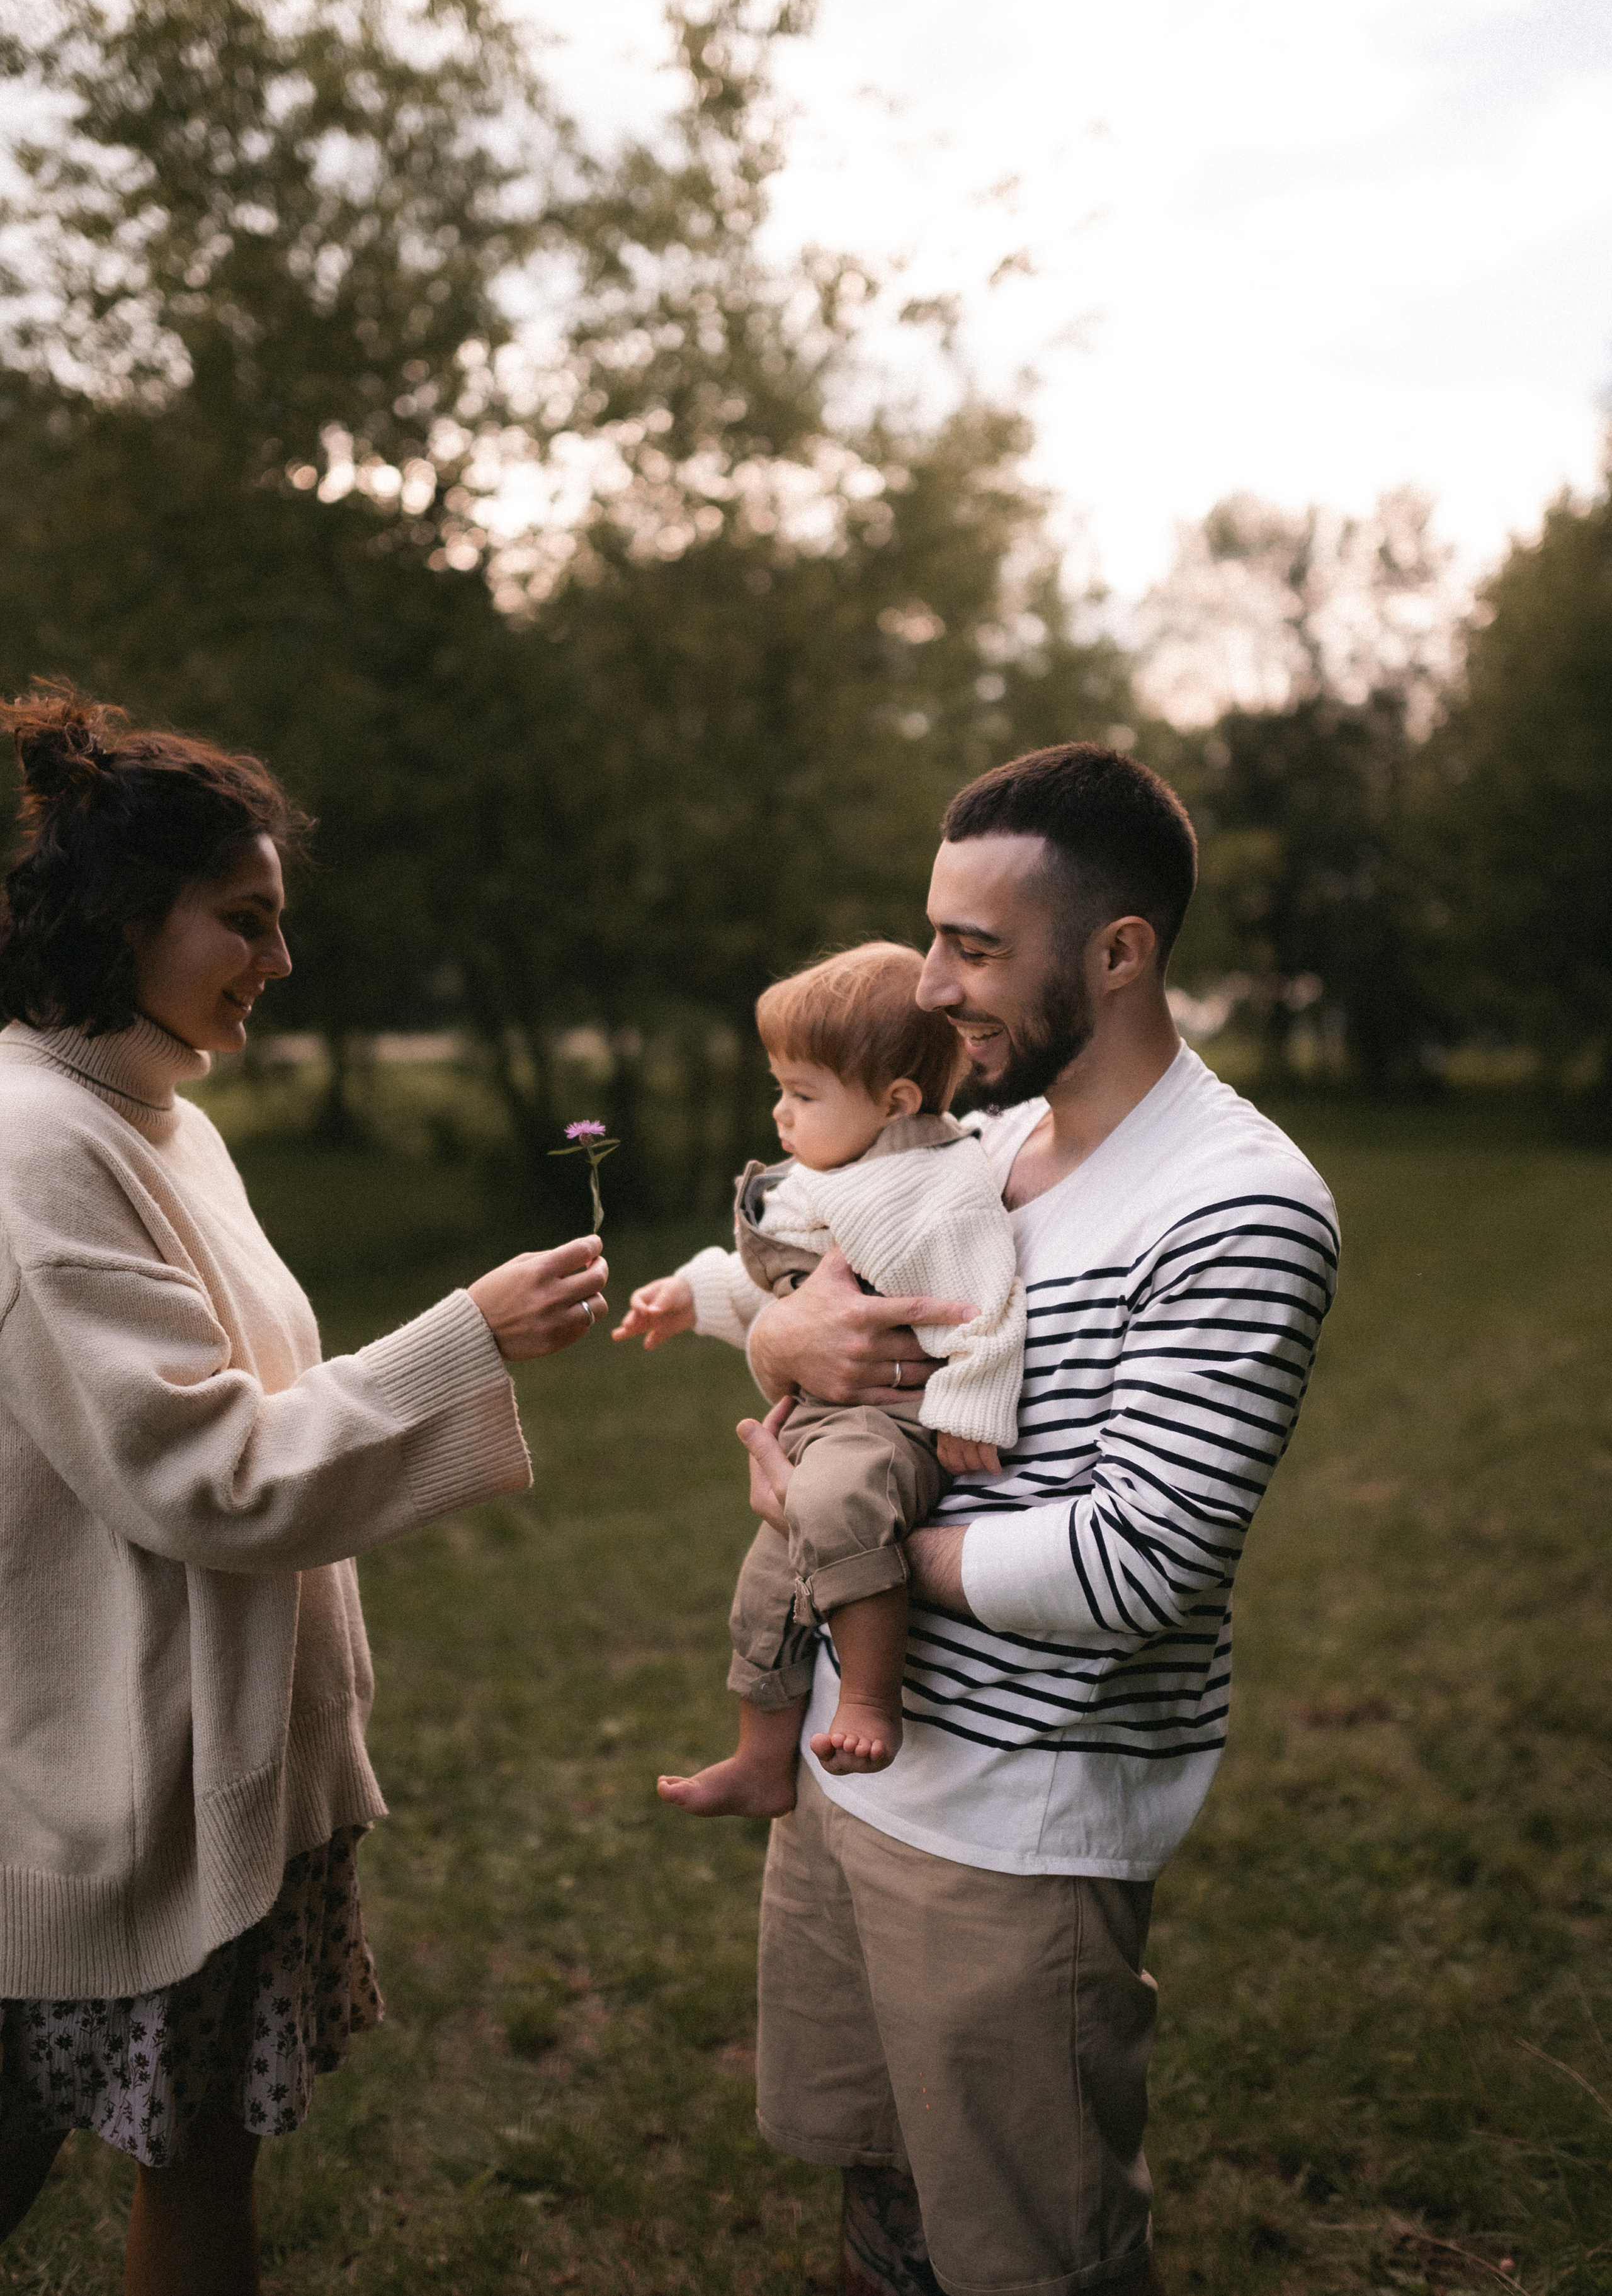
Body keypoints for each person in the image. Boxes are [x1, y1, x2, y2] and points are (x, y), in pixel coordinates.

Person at [0, 687, 610, 2296]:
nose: (279, 960)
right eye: (245, 920)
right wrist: (462, 1340)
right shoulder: (35, 1146)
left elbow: (249, 1404)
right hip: (100, 1797)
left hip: (221, 1761)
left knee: (203, 2170)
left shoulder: (158, 1115)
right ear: (125, 917)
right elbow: (202, 1468)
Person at [737, 744, 1340, 2296]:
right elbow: (812, 1311)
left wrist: (852, 1547)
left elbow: (1134, 1562)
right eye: (931, 937)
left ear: (1120, 952)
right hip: (847, 1766)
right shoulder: (976, 1147)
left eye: (976, 949)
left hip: (1012, 1826)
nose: (930, 987)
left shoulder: (1234, 1203)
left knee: (1028, 2256)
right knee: (884, 2207)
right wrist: (771, 1347)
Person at [613, 942, 1025, 1814]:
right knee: (766, 1589)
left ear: (895, 1101)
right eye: (780, 1086)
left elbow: (984, 1297)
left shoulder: (930, 1184)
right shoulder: (834, 1174)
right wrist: (691, 1294)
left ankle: (872, 1699)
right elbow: (781, 1282)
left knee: (836, 1513)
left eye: (803, 1093)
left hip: (888, 1426)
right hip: (825, 1422)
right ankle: (763, 1757)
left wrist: (968, 1402)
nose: (780, 1112)